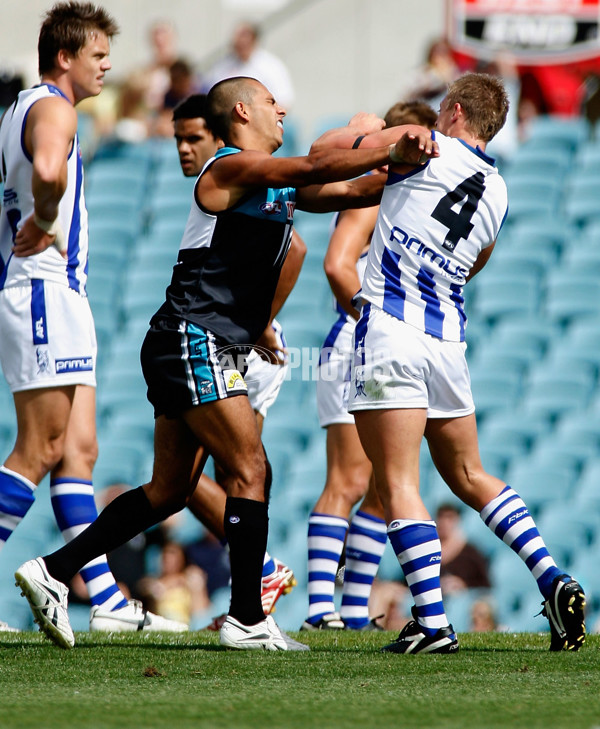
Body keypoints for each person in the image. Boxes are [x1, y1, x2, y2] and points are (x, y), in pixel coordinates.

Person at [14, 75, 437, 651]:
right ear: (242, 111)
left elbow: (345, 192)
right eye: (270, 100)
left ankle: (53, 570)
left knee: (169, 490)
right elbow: (310, 171)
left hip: (189, 340)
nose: (281, 107)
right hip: (193, 336)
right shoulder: (229, 167)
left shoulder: (269, 183)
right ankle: (246, 618)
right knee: (250, 468)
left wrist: (406, 171)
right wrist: (386, 143)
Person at [314, 72, 586, 654]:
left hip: (389, 331)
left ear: (456, 110)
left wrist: (367, 131)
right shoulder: (499, 189)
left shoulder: (419, 146)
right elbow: (475, 262)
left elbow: (319, 159)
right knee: (469, 475)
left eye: (442, 109)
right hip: (448, 341)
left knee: (397, 482)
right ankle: (552, 575)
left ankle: (433, 622)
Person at [0, 1, 185, 635]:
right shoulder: (52, 108)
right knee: (40, 447)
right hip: (43, 290)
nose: (108, 66)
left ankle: (103, 599)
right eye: (98, 55)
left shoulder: (30, 108)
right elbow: (48, 171)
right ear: (64, 57)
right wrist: (46, 220)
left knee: (79, 450)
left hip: (58, 294)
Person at [303, 101, 438, 632]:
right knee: (349, 478)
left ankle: (354, 612)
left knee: (386, 484)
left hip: (386, 345)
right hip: (357, 341)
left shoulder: (412, 194)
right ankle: (320, 610)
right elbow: (338, 263)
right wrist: (377, 319)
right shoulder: (380, 183)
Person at [171, 93, 304, 620]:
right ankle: (256, 587)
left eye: (194, 137)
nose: (186, 149)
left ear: (223, 130)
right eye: (178, 139)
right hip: (231, 334)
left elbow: (295, 250)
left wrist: (260, 322)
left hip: (235, 341)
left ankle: (257, 586)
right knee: (215, 478)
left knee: (222, 475)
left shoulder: (232, 167)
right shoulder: (233, 182)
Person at [202, 22, 294, 110]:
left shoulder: (271, 66)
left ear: (254, 40)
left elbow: (284, 100)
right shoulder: (223, 65)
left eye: (244, 38)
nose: (240, 42)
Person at [436, 502, 491, 595]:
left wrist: (464, 585)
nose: (444, 523)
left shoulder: (470, 553)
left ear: (457, 521)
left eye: (449, 518)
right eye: (441, 517)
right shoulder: (429, 551)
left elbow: (485, 585)